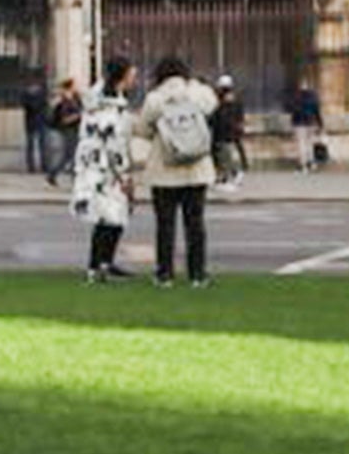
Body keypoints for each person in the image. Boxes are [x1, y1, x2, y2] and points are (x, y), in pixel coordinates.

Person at [135, 55, 220, 286]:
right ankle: (197, 274)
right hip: (196, 168)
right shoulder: (199, 93)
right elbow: (213, 106)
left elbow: (142, 130)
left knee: (165, 225)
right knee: (195, 224)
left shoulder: (155, 99)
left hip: (164, 169)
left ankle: (165, 274)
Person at [72, 56, 139, 282]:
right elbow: (114, 143)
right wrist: (124, 174)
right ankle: (97, 265)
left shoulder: (104, 101)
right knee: (107, 217)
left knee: (114, 217)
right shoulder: (110, 108)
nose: (134, 79)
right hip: (105, 168)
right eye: (131, 74)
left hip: (99, 166)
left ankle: (104, 262)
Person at [210, 75, 247, 189]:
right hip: (232, 130)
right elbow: (239, 114)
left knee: (225, 155)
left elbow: (219, 116)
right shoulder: (236, 99)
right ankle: (233, 173)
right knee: (231, 153)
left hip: (223, 131)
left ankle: (229, 175)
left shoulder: (220, 100)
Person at [45, 78, 82, 185]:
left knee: (70, 155)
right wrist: (77, 116)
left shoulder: (75, 98)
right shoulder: (64, 102)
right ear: (70, 87)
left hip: (75, 129)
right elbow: (64, 119)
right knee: (71, 155)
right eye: (75, 85)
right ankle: (59, 175)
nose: (77, 87)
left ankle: (54, 174)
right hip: (68, 130)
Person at [288, 82, 325, 172]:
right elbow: (317, 111)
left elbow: (293, 111)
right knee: (309, 144)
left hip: (300, 123)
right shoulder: (313, 98)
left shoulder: (297, 97)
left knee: (301, 144)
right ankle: (312, 164)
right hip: (311, 123)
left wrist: (292, 122)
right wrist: (320, 124)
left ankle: (303, 165)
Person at [20, 78, 49, 175]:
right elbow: (31, 106)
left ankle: (40, 165)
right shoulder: (29, 95)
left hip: (36, 122)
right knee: (32, 145)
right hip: (33, 122)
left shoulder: (38, 95)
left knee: (39, 144)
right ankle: (33, 166)